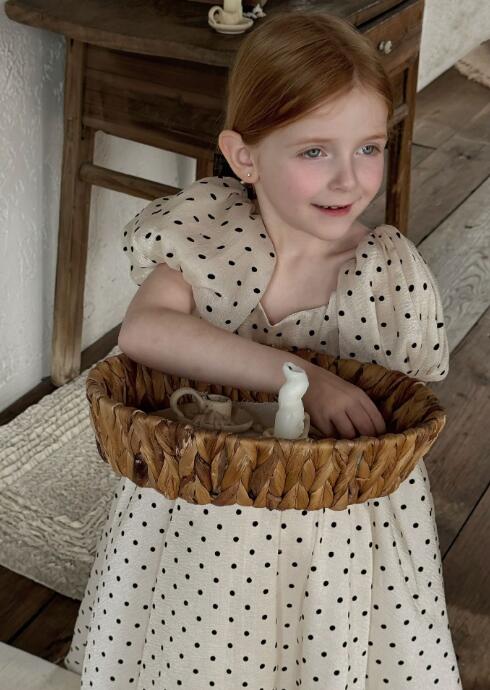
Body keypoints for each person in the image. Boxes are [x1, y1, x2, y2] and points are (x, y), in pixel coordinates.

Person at [63, 10, 461, 689]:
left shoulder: (387, 274)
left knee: (320, 658)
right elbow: (145, 332)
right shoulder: (208, 228)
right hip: (203, 511)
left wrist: (333, 402)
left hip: (330, 536)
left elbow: (397, 415)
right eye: (315, 152)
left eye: (369, 147)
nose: (350, 179)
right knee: (196, 654)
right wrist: (304, 378)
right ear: (244, 156)